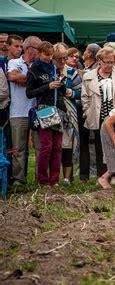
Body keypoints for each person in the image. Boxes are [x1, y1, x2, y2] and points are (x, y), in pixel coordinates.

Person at [81, 47, 115, 181]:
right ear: (99, 61)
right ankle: (102, 175)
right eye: (107, 62)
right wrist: (87, 111)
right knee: (100, 147)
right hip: (98, 116)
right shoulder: (88, 76)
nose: (110, 65)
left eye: (112, 62)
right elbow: (85, 97)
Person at [26, 41, 67, 186]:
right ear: (39, 53)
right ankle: (43, 180)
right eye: (46, 54)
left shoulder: (55, 68)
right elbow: (29, 93)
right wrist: (47, 86)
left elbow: (62, 91)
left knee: (57, 147)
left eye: (51, 55)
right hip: (45, 109)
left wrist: (62, 83)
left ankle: (54, 180)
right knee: (47, 147)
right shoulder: (34, 69)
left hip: (60, 109)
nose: (49, 57)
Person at [7, 36, 41, 185]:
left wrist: (27, 79)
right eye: (38, 49)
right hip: (18, 111)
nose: (41, 52)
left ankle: (40, 179)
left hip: (37, 112)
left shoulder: (40, 64)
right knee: (19, 149)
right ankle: (19, 180)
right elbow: (12, 76)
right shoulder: (14, 62)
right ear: (29, 49)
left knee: (40, 148)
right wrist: (34, 79)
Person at [53, 43, 81, 184]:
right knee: (54, 146)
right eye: (59, 58)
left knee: (67, 145)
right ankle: (53, 178)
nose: (62, 61)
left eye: (64, 58)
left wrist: (69, 92)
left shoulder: (71, 72)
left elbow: (81, 92)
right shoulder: (48, 71)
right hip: (51, 111)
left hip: (69, 112)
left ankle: (67, 178)